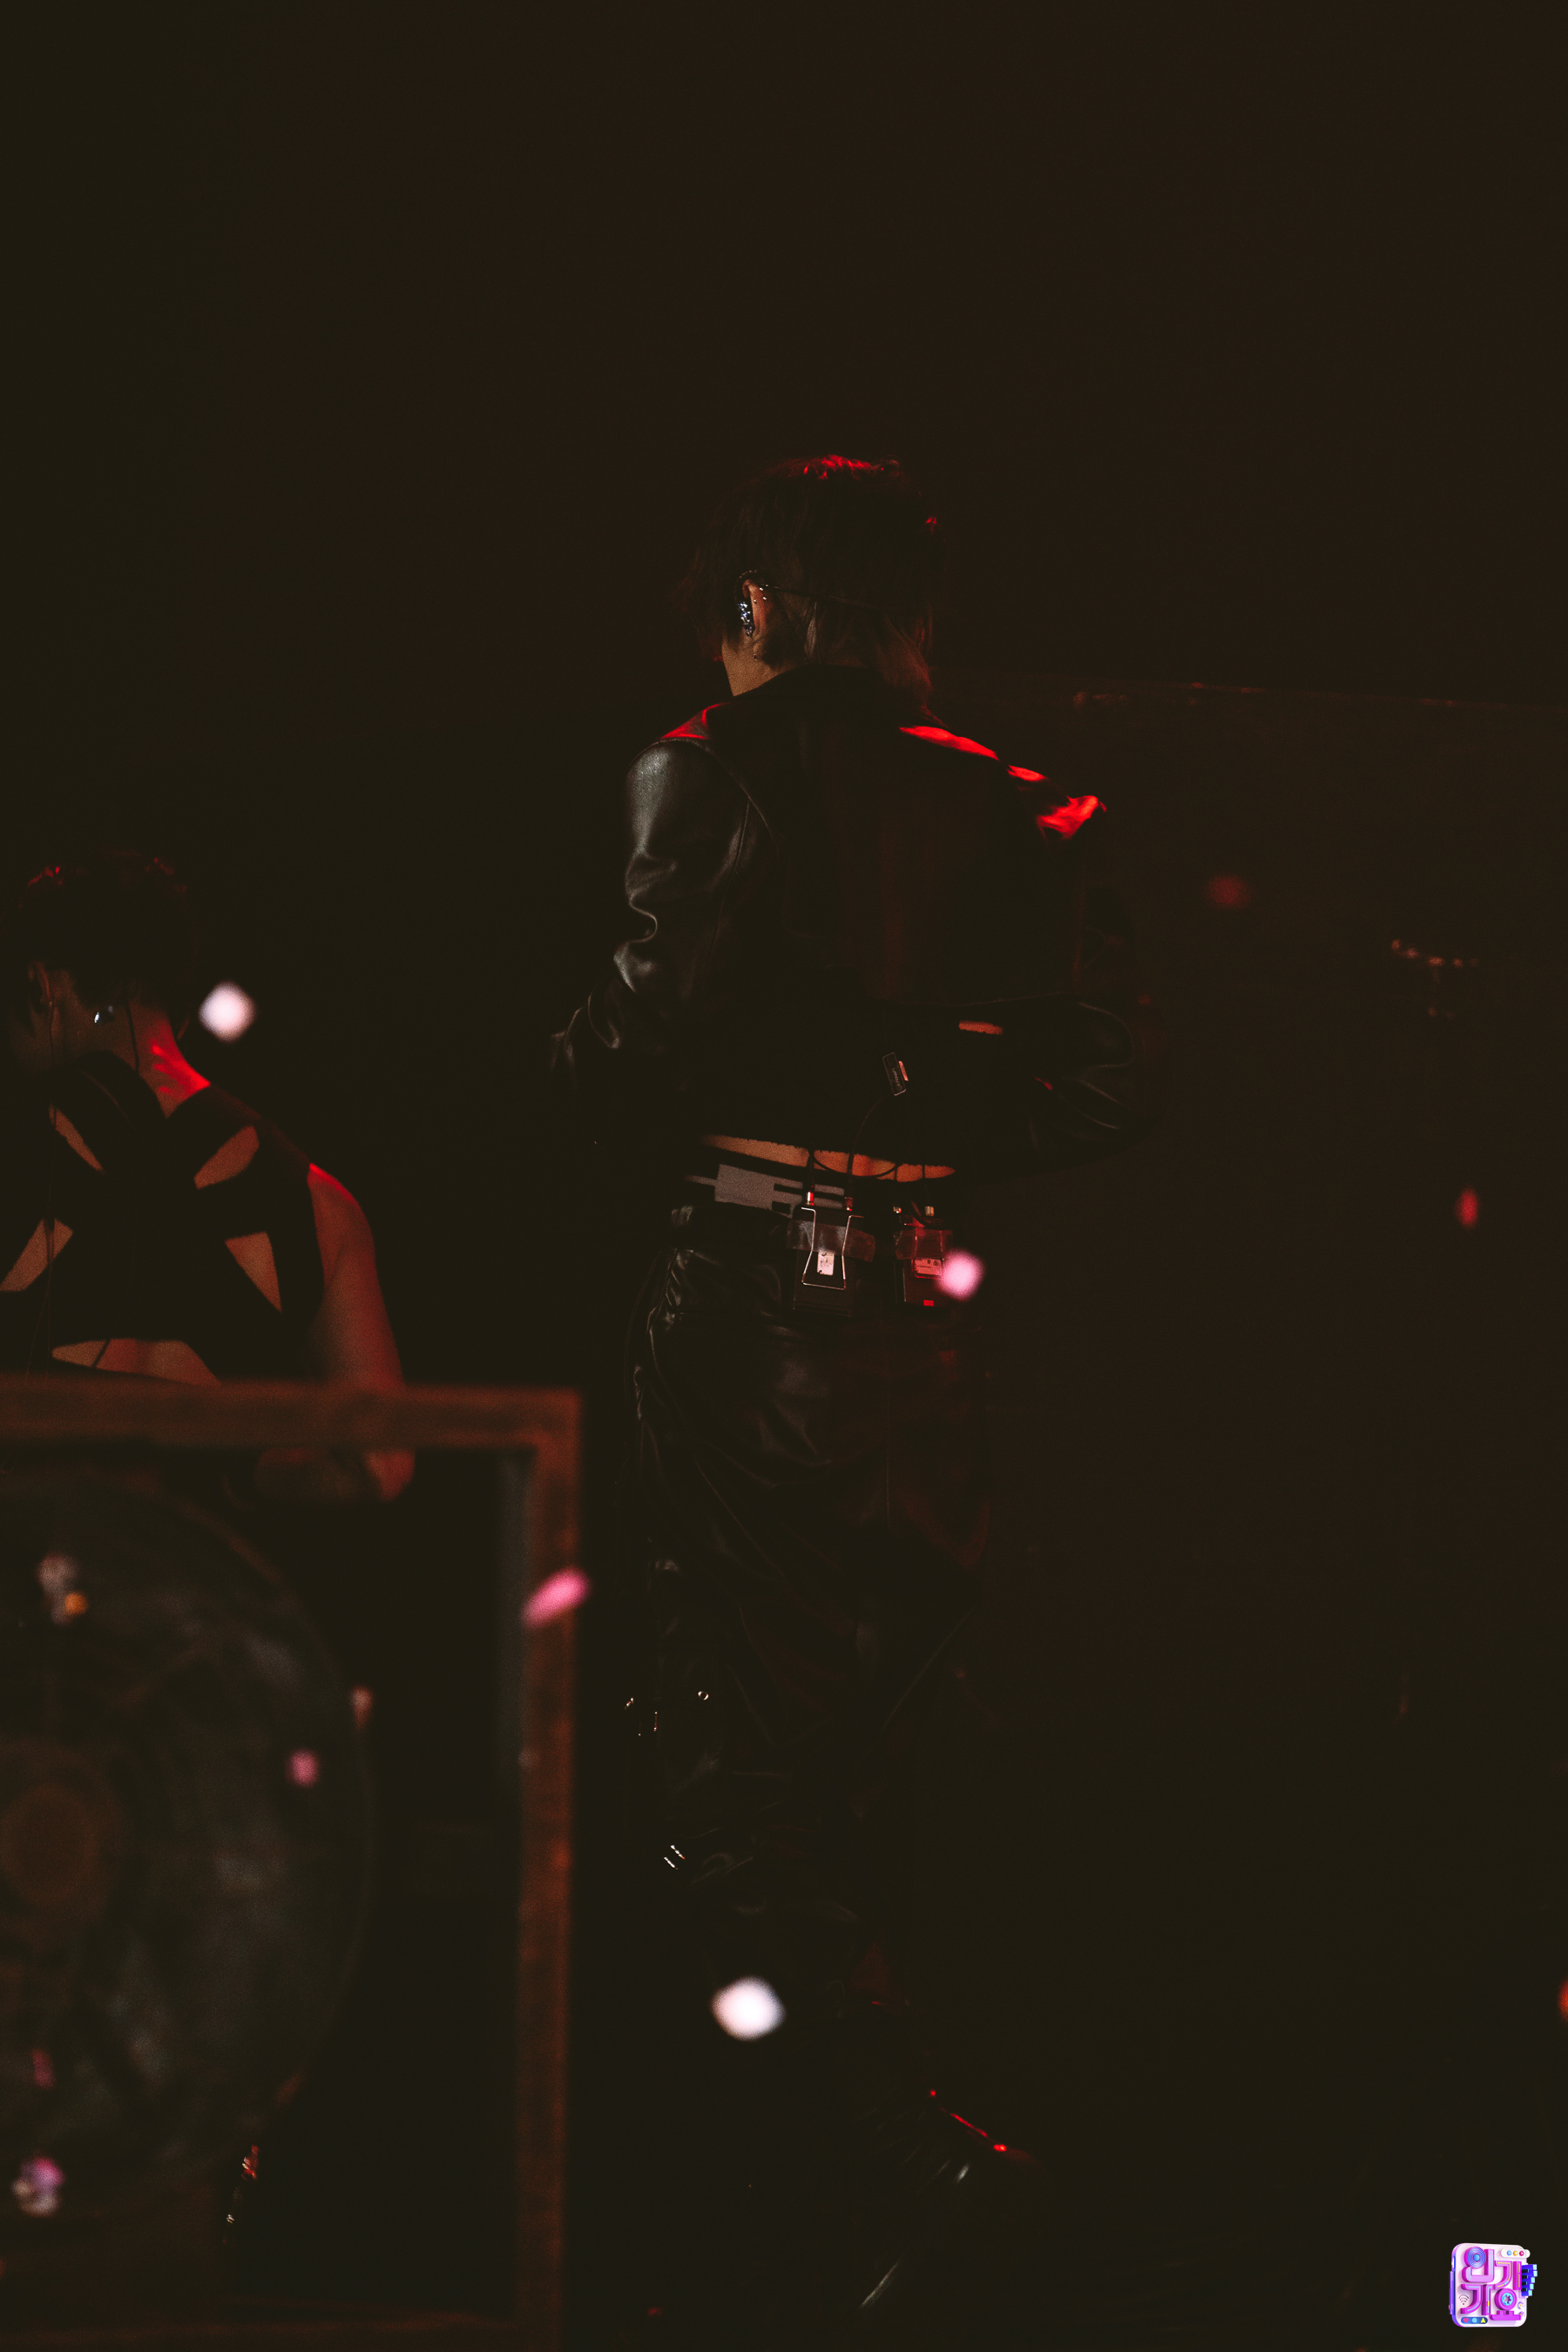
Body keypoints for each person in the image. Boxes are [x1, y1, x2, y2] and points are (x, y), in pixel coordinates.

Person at [549, 456, 1161, 2341]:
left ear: (755, 606)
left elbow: (639, 1040)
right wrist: (907, 1093)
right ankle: (865, 2210)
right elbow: (1102, 1085)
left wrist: (646, 1067)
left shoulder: (712, 769)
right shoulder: (1020, 800)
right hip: (923, 1324)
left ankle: (904, 2163)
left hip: (759, 1309)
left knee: (719, 1760)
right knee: (845, 1764)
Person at [0, 848, 412, 1504]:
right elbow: (380, 1466)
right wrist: (231, 1469)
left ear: (40, 986)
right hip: (195, 1564)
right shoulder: (321, 1202)